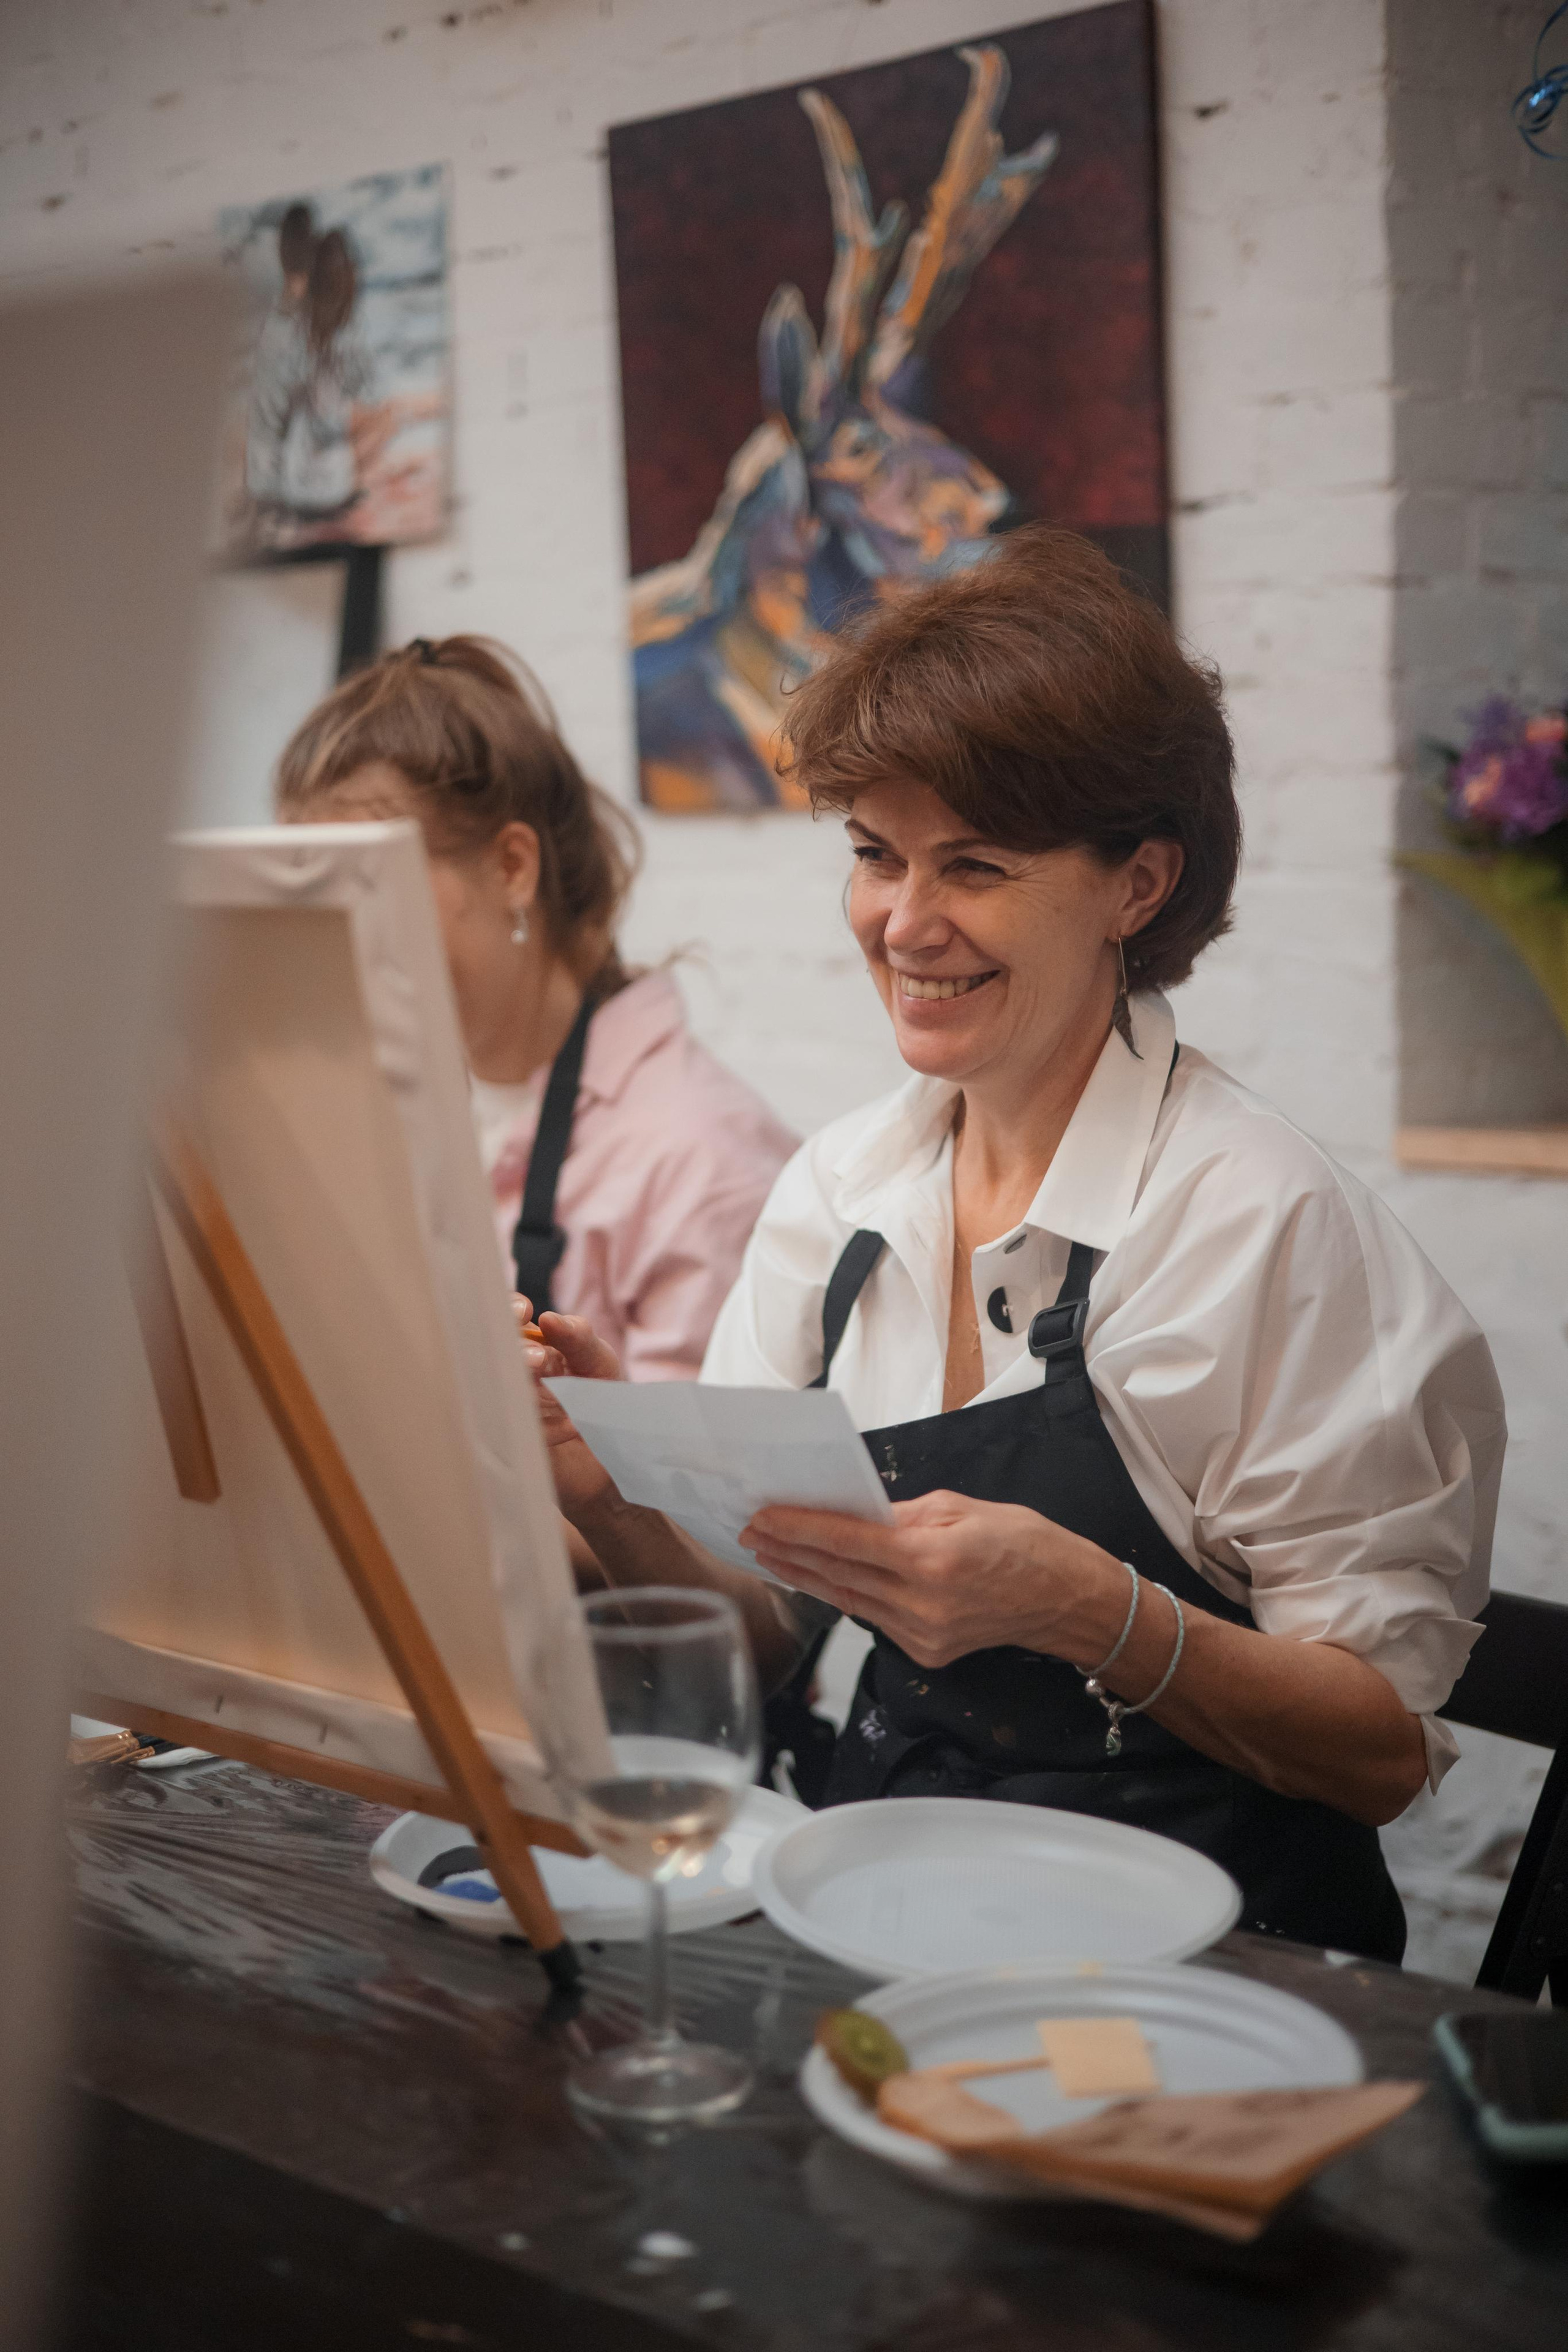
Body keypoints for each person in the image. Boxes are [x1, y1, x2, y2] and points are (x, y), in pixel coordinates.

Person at [519, 526, 1507, 1963]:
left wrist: (1097, 1614)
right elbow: (770, 1640)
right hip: (868, 1910)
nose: (903, 923)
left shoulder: (1258, 1225)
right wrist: (611, 1495)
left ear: (1135, 884)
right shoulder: (837, 1191)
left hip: (1213, 1964)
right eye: (872, 855)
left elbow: (1378, 1754)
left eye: (972, 865)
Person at [275, 635, 797, 1381]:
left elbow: (696, 1498)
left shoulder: (699, 1163)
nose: (344, 944)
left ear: (512, 867)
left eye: (370, 885)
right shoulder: (399, 1110)